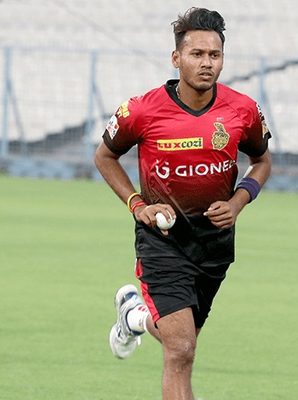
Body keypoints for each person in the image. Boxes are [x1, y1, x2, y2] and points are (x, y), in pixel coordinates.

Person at [94, 7, 272, 400]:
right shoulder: (142, 109)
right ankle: (138, 316)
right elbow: (104, 156)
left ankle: (134, 317)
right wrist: (138, 205)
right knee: (181, 349)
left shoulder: (242, 109)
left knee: (182, 338)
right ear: (177, 58)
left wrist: (238, 202)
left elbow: (262, 161)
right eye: (197, 54)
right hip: (162, 241)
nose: (207, 63)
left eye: (215, 55)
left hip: (214, 245)